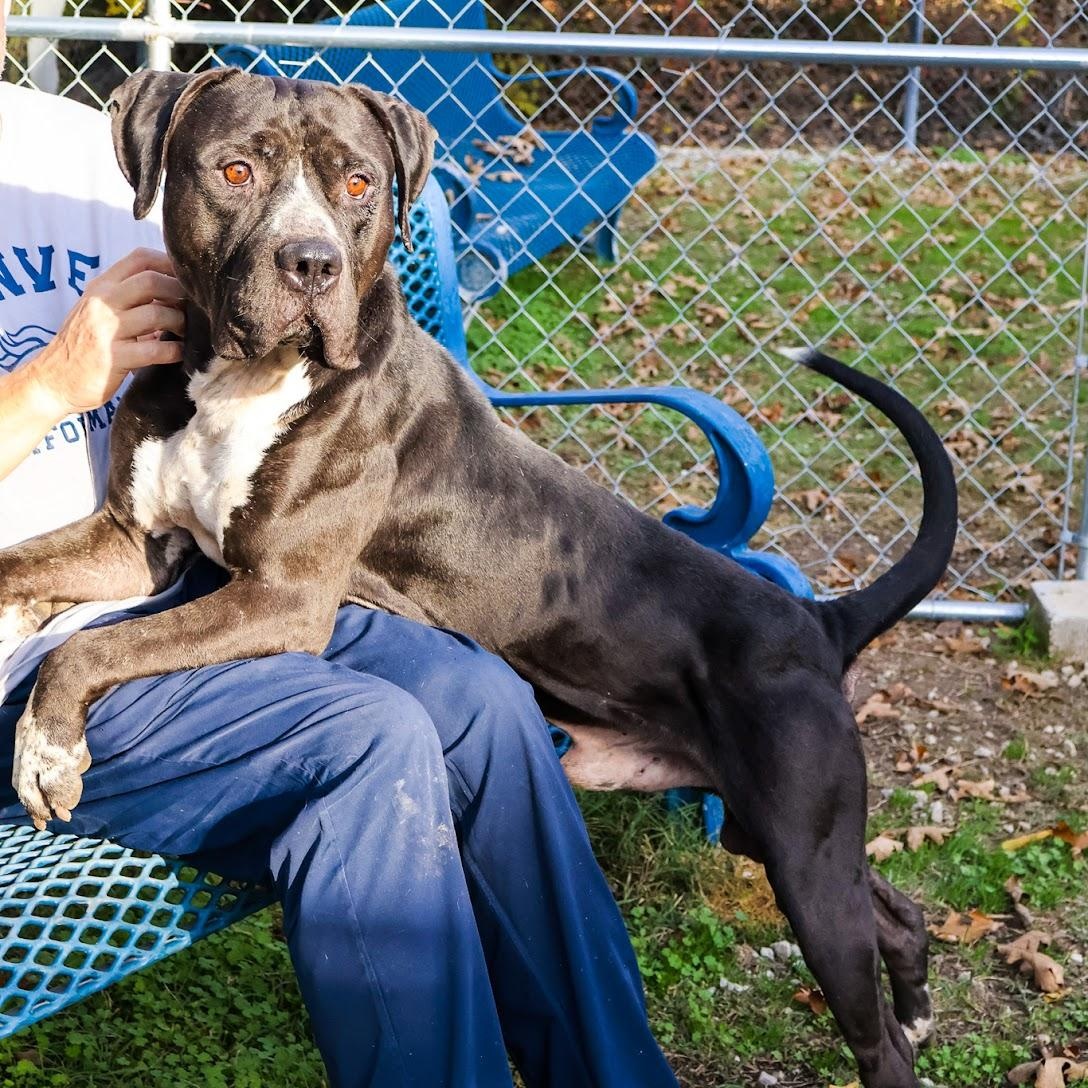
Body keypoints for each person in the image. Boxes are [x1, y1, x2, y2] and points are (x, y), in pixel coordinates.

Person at [0, 10, 679, 1086]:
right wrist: (46, 387)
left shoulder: (69, 139)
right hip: (30, 653)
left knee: (481, 703)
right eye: (232, 176)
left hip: (183, 574)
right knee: (368, 740)